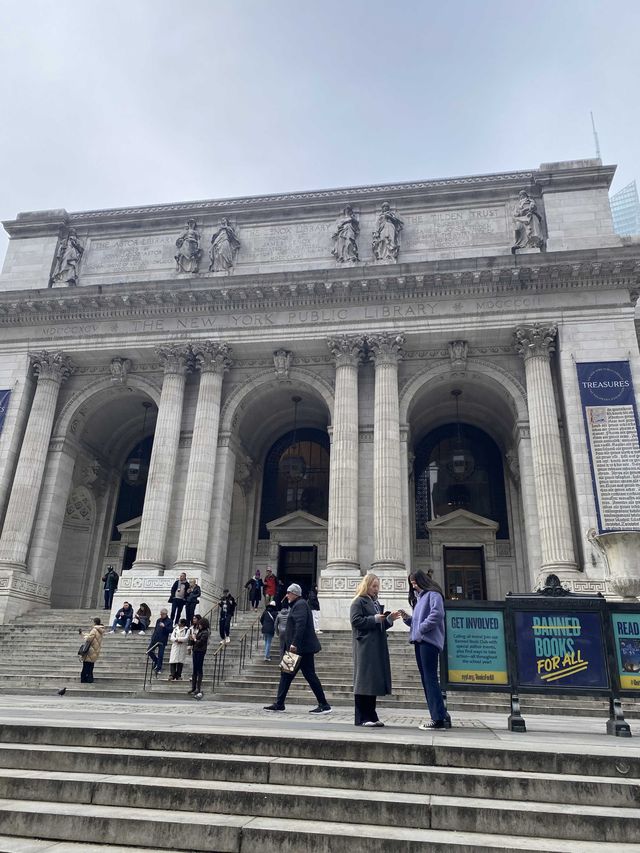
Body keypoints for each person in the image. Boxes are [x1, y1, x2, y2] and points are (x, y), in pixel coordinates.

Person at [264, 583, 331, 714]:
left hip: (299, 649)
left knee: (305, 675)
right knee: (287, 675)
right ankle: (280, 703)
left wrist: (294, 644)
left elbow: (300, 625)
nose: (287, 595)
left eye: (289, 593)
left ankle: (324, 704)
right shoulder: (298, 605)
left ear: (295, 594)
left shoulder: (300, 605)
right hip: (299, 648)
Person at [350, 573, 401, 727]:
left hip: (375, 646)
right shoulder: (358, 601)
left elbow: (379, 624)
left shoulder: (375, 603)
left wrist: (389, 619)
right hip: (364, 646)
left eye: (377, 586)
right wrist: (374, 619)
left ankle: (371, 715)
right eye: (374, 586)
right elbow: (355, 620)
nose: (376, 589)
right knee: (363, 681)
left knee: (371, 682)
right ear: (366, 585)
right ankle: (363, 717)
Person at [402, 570, 451, 731]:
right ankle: (439, 715)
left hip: (428, 642)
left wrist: (421, 628)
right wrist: (408, 619)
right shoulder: (420, 598)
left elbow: (437, 614)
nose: (413, 586)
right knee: (426, 679)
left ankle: (438, 718)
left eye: (415, 582)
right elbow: (418, 621)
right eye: (412, 583)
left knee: (430, 679)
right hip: (420, 641)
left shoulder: (433, 594)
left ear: (422, 580)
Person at [188, 616, 211, 699]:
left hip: (201, 651)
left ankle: (198, 688)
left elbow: (201, 642)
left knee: (199, 669)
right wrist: (192, 639)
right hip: (196, 650)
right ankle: (193, 687)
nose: (199, 625)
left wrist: (194, 639)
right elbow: (195, 641)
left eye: (200, 624)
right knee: (195, 669)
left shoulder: (205, 632)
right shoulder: (200, 631)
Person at [147, 609, 174, 675]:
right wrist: (153, 637)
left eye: (162, 614)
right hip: (155, 639)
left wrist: (164, 627)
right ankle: (156, 661)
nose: (161, 615)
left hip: (162, 640)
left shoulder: (169, 621)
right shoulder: (158, 620)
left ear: (165, 614)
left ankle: (158, 668)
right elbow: (156, 629)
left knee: (160, 655)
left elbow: (170, 630)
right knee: (149, 651)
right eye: (160, 614)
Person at [79, 617, 105, 684]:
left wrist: (83, 636)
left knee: (86, 665)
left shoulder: (94, 629)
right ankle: (90, 679)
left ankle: (84, 679)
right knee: (91, 666)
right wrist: (83, 634)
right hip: (95, 650)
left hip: (90, 650)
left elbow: (89, 639)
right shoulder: (100, 630)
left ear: (94, 622)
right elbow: (92, 636)